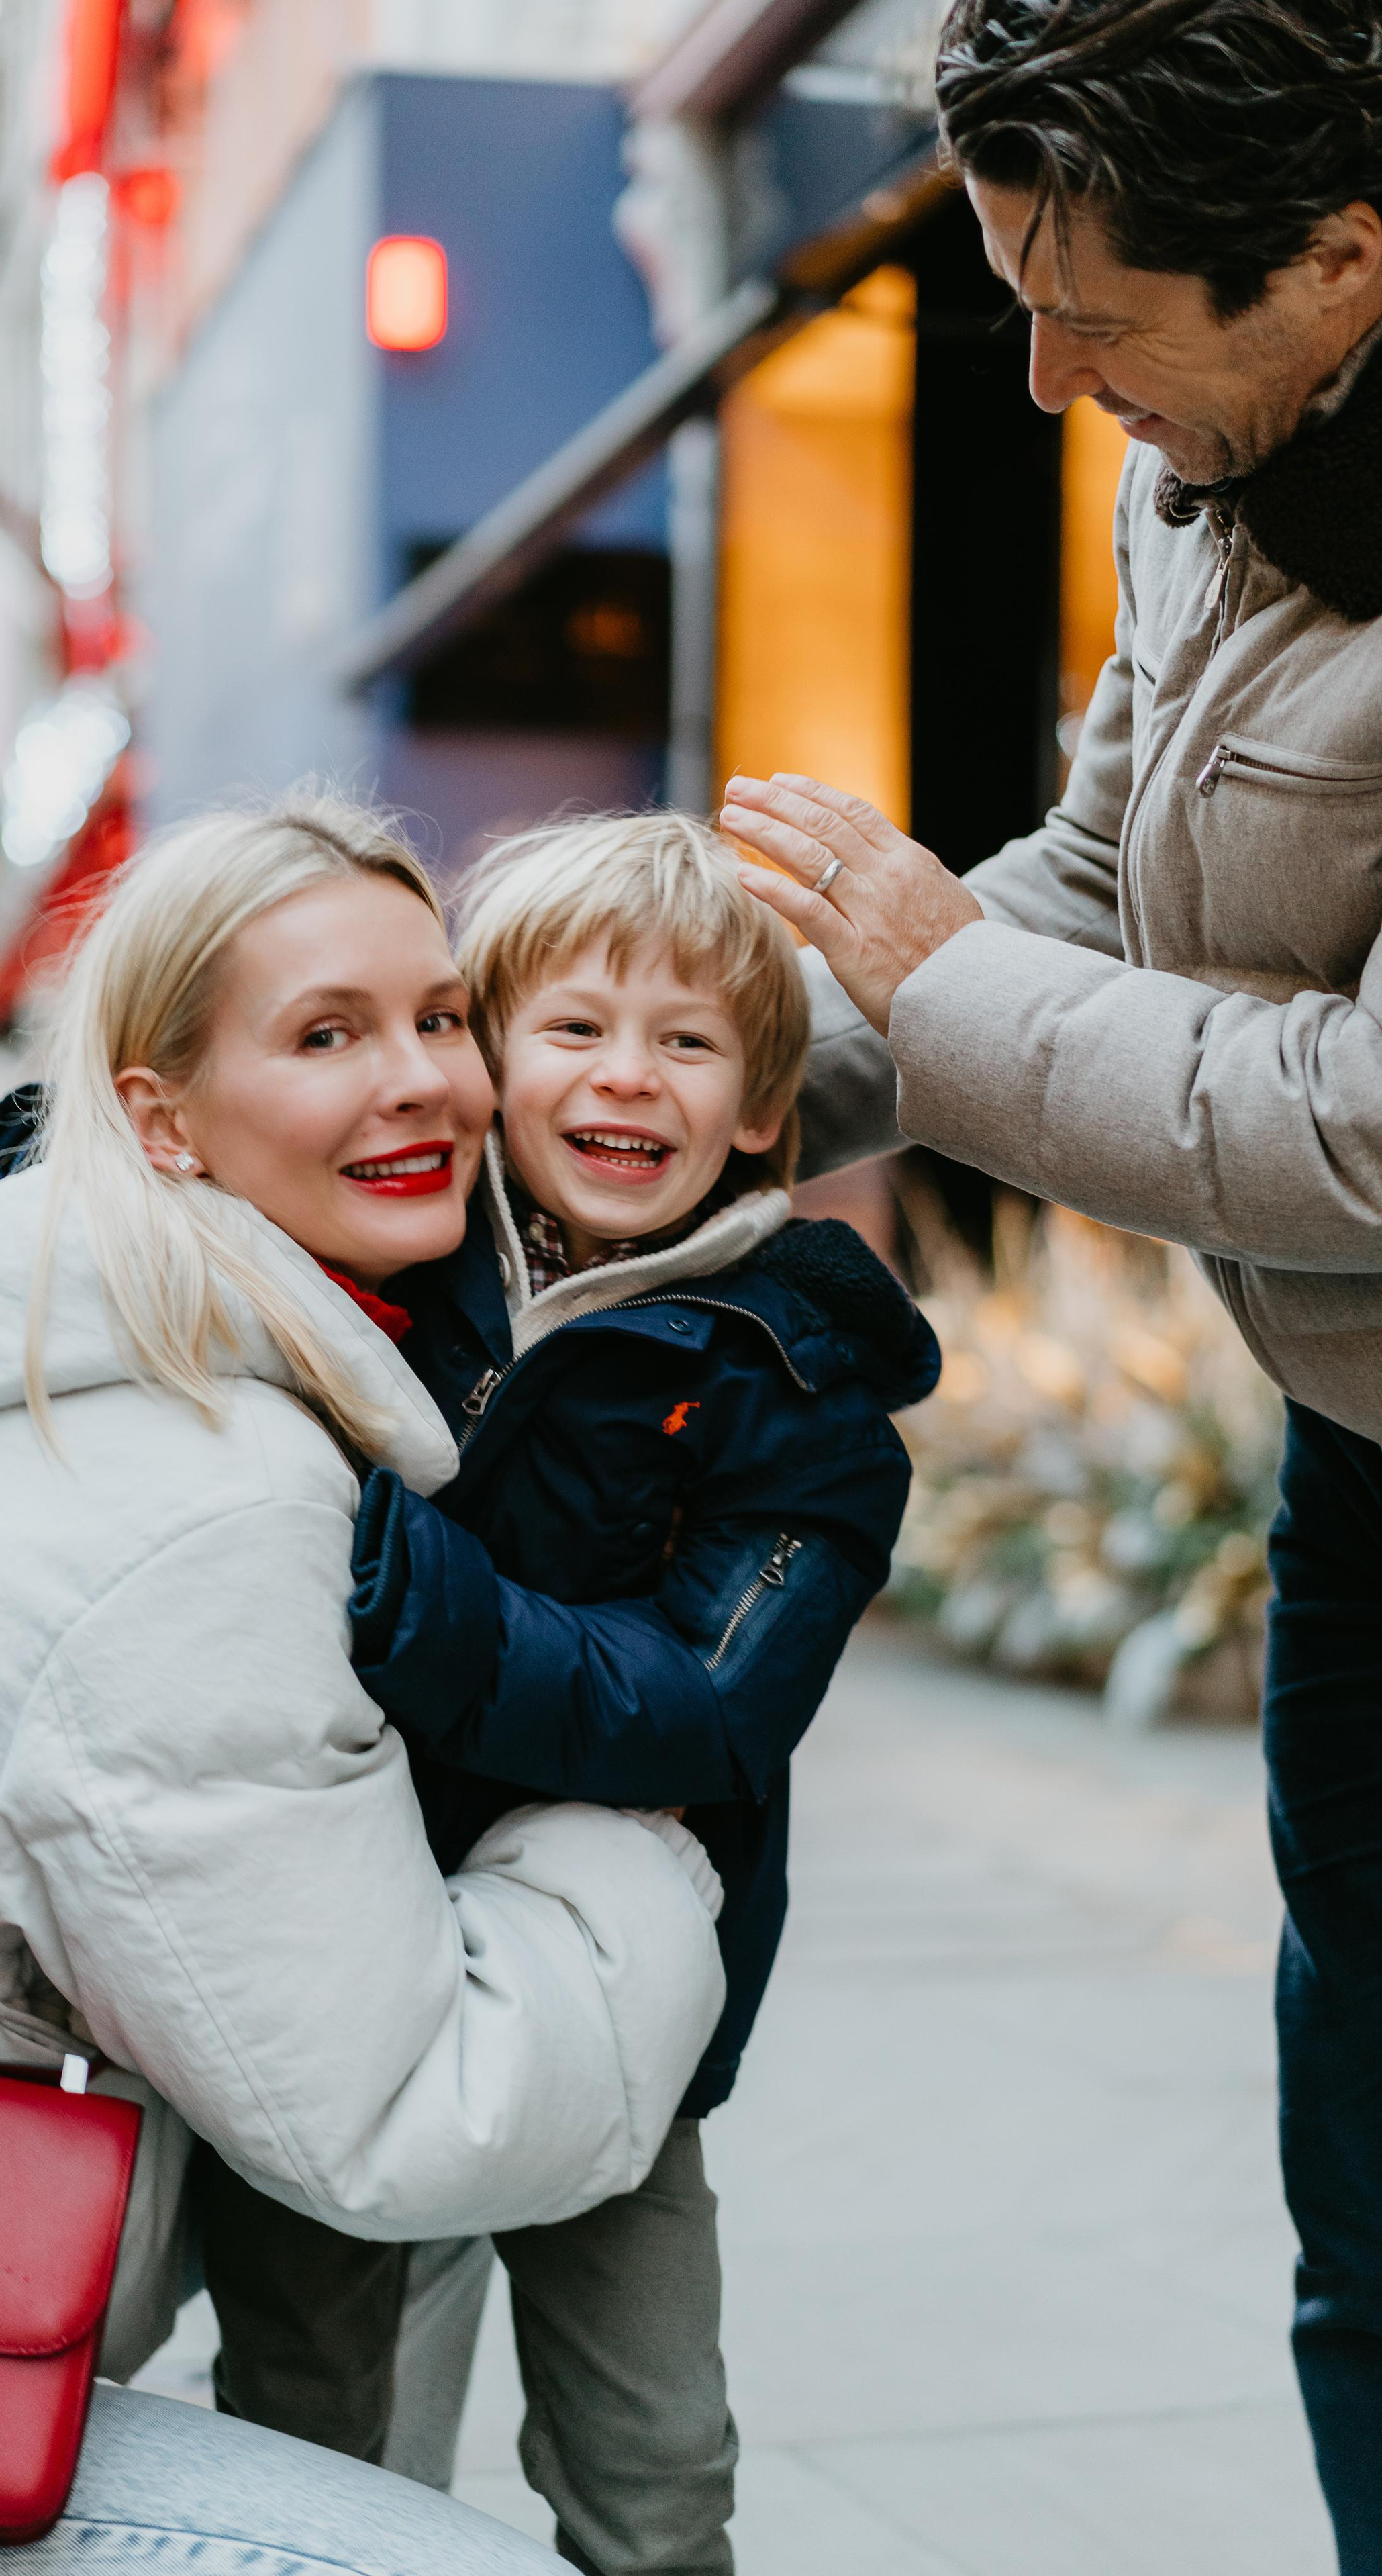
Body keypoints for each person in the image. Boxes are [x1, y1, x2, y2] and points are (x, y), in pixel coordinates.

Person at [0, 797, 725, 2571]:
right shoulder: (193, 1494)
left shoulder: (91, 1363)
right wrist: (638, 1840)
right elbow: (400, 2119)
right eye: (327, 1036)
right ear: (158, 1116)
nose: (433, 1086)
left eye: (442, 1018)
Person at [718, 1, 1382, 2563]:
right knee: (1372, 2203)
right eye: (1012, 287)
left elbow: (1362, 1121)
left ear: (1342, 259)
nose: (1040, 378)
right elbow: (1093, 871)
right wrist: (730, 1088)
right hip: (1360, 1457)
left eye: (1092, 313)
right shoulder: (1195, 477)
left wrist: (947, 987)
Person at [200, 813, 940, 2575]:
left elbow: (702, 1703)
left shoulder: (802, 1387)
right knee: (316, 2419)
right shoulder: (372, 1250)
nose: (632, 1078)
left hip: (618, 2000)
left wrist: (405, 1584)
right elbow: (120, 1168)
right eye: (579, 1029)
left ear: (764, 1107)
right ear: (480, 1060)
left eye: (688, 1042)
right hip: (335, 1952)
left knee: (656, 2459)